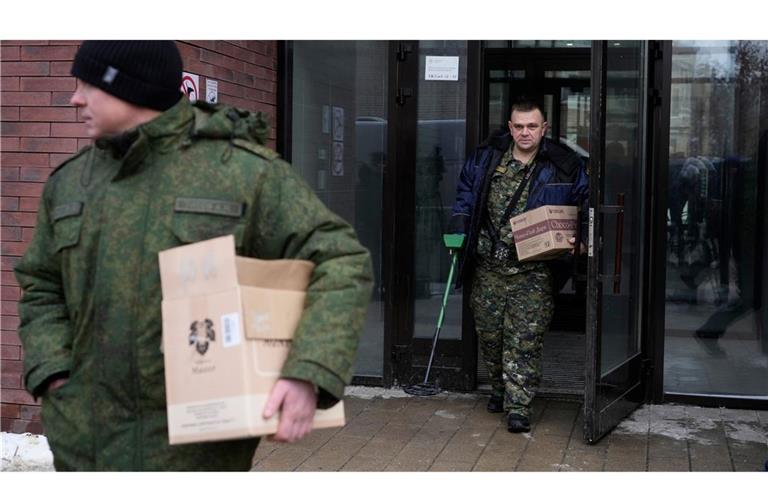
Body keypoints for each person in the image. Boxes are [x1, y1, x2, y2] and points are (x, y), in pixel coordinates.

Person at [14, 41, 373, 471]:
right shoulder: (70, 184)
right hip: (84, 445)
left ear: (129, 87)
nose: (75, 98)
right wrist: (54, 373)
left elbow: (340, 261)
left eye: (88, 84)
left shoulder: (241, 171)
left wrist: (308, 371)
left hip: (197, 453)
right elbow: (41, 284)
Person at [449, 98, 588, 433]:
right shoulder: (486, 158)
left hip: (533, 270)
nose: (525, 133)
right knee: (491, 335)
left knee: (525, 339)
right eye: (519, 126)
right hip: (488, 266)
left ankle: (519, 405)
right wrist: (459, 228)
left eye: (532, 126)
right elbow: (465, 194)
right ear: (510, 128)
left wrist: (581, 238)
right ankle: (499, 388)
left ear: (544, 129)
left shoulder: (564, 164)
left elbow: (584, 202)